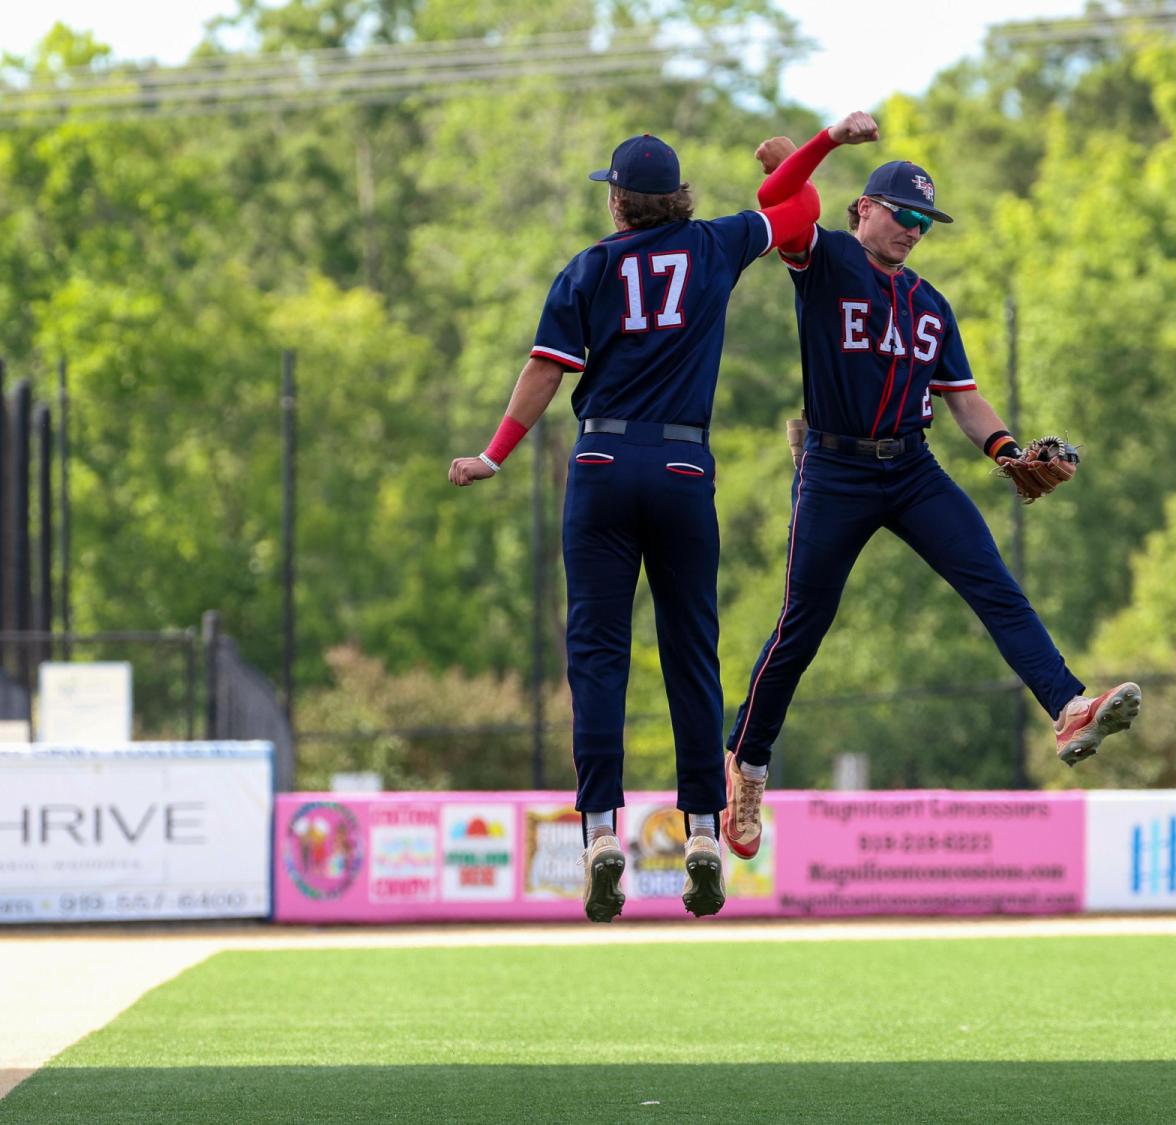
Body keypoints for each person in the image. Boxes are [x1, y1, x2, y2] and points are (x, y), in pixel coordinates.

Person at [449, 121, 873, 921]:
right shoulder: (715, 245)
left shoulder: (589, 268)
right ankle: (705, 833)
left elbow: (545, 369)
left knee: (598, 655)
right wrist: (811, 149)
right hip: (683, 469)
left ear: (617, 203)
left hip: (602, 465)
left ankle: (602, 832)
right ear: (676, 199)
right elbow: (798, 211)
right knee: (691, 653)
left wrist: (495, 453)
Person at [720, 124, 1141, 860]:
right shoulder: (824, 258)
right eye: (902, 215)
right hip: (835, 466)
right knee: (801, 626)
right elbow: (778, 198)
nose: (914, 231)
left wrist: (1008, 449)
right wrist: (824, 140)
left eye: (924, 222)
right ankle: (748, 763)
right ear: (863, 209)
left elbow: (965, 399)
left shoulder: (930, 304)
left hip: (911, 467)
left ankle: (1070, 708)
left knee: (994, 585)